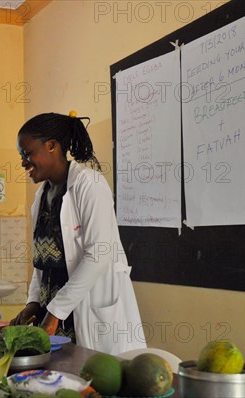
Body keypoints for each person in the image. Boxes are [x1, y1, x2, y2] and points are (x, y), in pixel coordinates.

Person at [10, 111, 146, 354]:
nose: (23, 162)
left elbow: (98, 255)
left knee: (94, 381)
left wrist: (54, 312)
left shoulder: (89, 185)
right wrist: (33, 302)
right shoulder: (41, 197)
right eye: (22, 156)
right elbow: (42, 260)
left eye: (27, 154)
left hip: (87, 314)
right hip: (54, 313)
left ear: (51, 146)